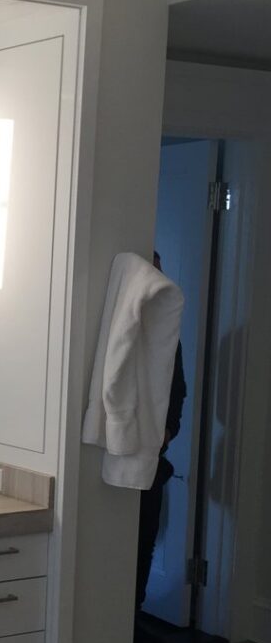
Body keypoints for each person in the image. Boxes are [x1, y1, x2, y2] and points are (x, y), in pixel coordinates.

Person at [136, 251, 188, 610]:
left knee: (144, 545)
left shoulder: (170, 339)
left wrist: (168, 431)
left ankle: (132, 624)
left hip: (154, 460)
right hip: (118, 458)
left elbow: (178, 391)